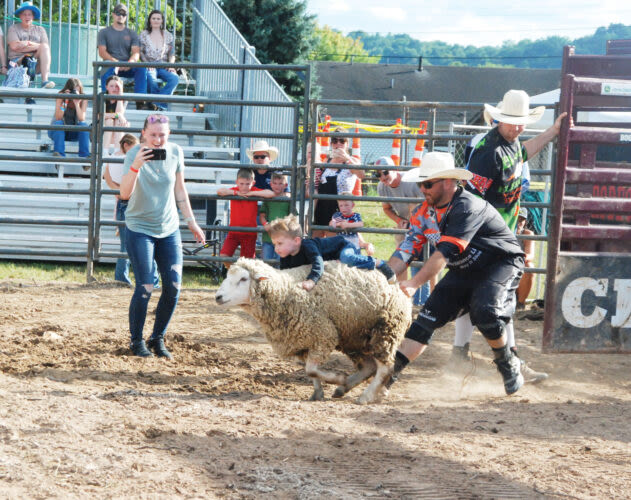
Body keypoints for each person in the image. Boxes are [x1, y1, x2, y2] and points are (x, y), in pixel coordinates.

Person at [385, 152, 527, 395]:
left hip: (500, 263)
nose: (422, 189)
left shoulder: (466, 207)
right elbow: (406, 250)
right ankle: (387, 376)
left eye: (428, 184)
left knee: (486, 312)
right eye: (421, 183)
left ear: (448, 182)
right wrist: (382, 278)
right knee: (426, 319)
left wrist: (415, 283)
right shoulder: (423, 213)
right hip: (465, 267)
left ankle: (507, 362)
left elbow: (445, 253)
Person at [449, 90, 567, 382]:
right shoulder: (488, 152)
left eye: (521, 122)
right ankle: (510, 361)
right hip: (487, 235)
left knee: (476, 294)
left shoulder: (509, 144)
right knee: (502, 297)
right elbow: (471, 195)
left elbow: (525, 151)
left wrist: (552, 132)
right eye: (512, 122)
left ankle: (460, 355)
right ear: (499, 119)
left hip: (497, 234)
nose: (518, 127)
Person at [119, 114, 205, 358]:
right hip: (139, 227)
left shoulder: (176, 152)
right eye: (153, 135)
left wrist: (191, 222)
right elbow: (124, 194)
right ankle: (136, 341)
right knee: (146, 285)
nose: (157, 140)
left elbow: (180, 189)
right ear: (144, 133)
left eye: (162, 135)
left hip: (168, 228)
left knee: (174, 286)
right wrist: (136, 165)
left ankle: (157, 338)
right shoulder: (132, 154)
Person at [268, 214, 395, 291]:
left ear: (296, 241)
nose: (276, 249)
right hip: (332, 258)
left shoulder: (308, 246)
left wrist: (312, 281)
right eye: (275, 244)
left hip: (342, 246)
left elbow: (318, 264)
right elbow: (286, 272)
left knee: (346, 258)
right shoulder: (285, 255)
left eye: (280, 243)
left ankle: (378, 263)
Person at [104, 133, 160, 287]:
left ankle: (122, 278)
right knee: (150, 242)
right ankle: (152, 280)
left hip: (124, 201)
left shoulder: (114, 159)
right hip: (138, 201)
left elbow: (107, 178)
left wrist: (119, 190)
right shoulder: (134, 158)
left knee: (127, 244)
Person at [374, 156, 431, 306]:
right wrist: (399, 221)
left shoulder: (410, 182)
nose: (382, 177)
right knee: (401, 259)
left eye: (385, 172)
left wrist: (415, 224)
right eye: (378, 174)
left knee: (424, 260)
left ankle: (425, 299)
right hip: (405, 224)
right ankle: (404, 298)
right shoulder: (382, 187)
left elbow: (426, 204)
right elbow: (386, 208)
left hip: (423, 222)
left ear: (395, 169)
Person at [97, 3, 149, 110]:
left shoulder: (132, 33)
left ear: (126, 16)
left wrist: (130, 62)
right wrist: (116, 62)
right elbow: (102, 52)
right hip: (111, 64)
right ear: (113, 15)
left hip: (126, 66)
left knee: (141, 68)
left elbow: (136, 53)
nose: (120, 16)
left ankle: (140, 102)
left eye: (123, 14)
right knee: (106, 65)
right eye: (118, 13)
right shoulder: (103, 32)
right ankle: (106, 101)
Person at [217, 168, 275, 263]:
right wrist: (236, 193)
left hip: (249, 233)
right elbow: (219, 191)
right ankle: (235, 274)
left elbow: (271, 193)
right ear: (237, 182)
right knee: (224, 256)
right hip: (233, 232)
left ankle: (245, 275)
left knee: (247, 261)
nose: (244, 187)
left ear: (253, 182)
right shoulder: (234, 190)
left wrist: (251, 193)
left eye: (248, 184)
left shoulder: (254, 191)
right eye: (241, 183)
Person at [312, 127, 361, 237]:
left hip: (339, 209)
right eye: (334, 141)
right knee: (315, 243)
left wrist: (347, 158)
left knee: (332, 245)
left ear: (347, 143)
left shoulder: (352, 161)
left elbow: (362, 175)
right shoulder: (326, 161)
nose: (338, 144)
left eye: (342, 141)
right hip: (321, 207)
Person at [6, 1, 54, 88]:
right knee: (29, 57)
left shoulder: (41, 30)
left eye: (29, 14)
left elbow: (45, 48)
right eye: (24, 14)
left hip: (35, 62)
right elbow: (14, 46)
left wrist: (26, 44)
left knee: (44, 48)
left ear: (33, 16)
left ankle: (45, 81)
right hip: (17, 63)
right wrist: (37, 46)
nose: (27, 17)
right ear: (20, 16)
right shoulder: (13, 28)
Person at [139, 9, 179, 111]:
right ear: (150, 20)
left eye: (158, 18)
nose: (156, 20)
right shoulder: (143, 34)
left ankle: (157, 103)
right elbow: (140, 52)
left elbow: (172, 53)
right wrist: (146, 64)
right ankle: (158, 105)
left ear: (162, 21)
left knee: (174, 78)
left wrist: (171, 65)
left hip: (164, 66)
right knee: (151, 79)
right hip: (150, 65)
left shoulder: (168, 35)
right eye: (153, 18)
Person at [48, 78, 90, 158]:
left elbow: (82, 119)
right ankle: (59, 155)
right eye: (73, 92)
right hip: (57, 131)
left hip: (73, 132)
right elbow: (58, 117)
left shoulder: (83, 98)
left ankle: (85, 157)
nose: (75, 94)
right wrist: (66, 101)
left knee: (84, 125)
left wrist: (77, 104)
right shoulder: (61, 95)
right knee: (58, 123)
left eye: (78, 92)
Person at [259, 173, 290, 261]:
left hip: (283, 238)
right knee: (266, 263)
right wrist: (265, 224)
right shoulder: (267, 199)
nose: (277, 186)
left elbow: (292, 217)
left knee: (280, 263)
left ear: (285, 185)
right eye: (275, 183)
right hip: (268, 237)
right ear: (271, 184)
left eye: (280, 183)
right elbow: (262, 215)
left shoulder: (288, 200)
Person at [103, 75, 130, 154]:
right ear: (106, 87)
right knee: (109, 121)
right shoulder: (101, 97)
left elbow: (120, 113)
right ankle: (104, 153)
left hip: (116, 131)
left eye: (117, 86)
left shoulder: (123, 99)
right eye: (111, 86)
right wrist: (118, 115)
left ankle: (117, 153)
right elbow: (100, 115)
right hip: (101, 130)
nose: (114, 89)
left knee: (118, 122)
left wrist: (120, 94)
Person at [516, 207, 535, 310]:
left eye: (521, 220)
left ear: (525, 222)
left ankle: (520, 304)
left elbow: (530, 255)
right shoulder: (502, 231)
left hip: (516, 264)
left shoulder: (527, 234)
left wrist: (516, 259)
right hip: (503, 266)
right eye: (516, 219)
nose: (519, 223)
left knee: (529, 267)